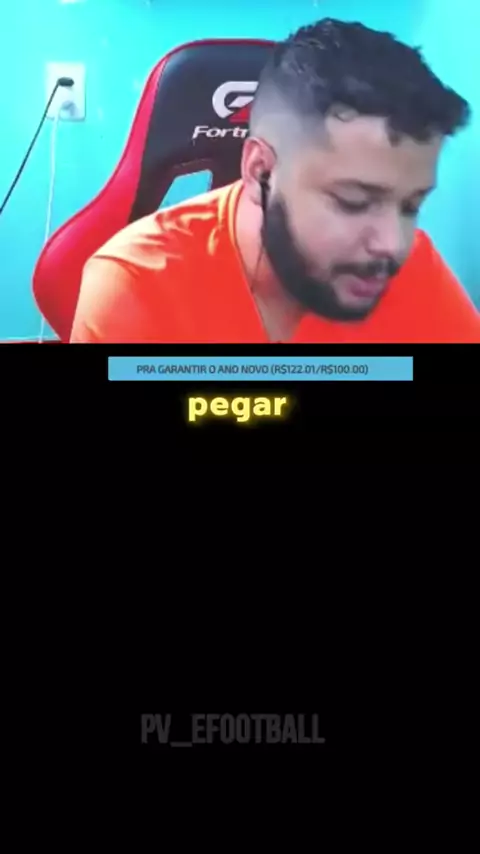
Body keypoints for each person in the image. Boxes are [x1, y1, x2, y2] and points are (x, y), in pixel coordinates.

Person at [70, 18, 480, 344]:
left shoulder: (413, 271)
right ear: (260, 171)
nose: (393, 244)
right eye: (353, 201)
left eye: (411, 206)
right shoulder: (138, 285)